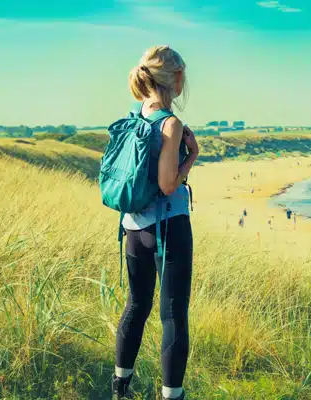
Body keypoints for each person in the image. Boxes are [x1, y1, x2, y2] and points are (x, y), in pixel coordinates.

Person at [112, 46, 197, 400]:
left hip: (133, 228)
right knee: (173, 314)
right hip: (169, 229)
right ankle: (172, 396)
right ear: (176, 80)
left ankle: (120, 387)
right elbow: (166, 184)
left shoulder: (133, 116)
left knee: (136, 304)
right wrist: (191, 156)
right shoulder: (170, 123)